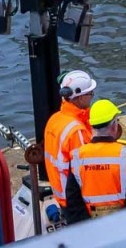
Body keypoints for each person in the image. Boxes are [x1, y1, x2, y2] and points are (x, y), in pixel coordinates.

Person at [69, 98, 126, 219]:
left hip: (89, 225)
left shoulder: (77, 156)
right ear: (114, 126)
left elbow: (73, 200)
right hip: (121, 222)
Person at [41, 70, 96, 222]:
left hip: (62, 194)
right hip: (77, 201)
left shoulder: (55, 119)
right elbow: (84, 172)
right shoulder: (76, 131)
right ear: (79, 97)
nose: (92, 96)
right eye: (90, 93)